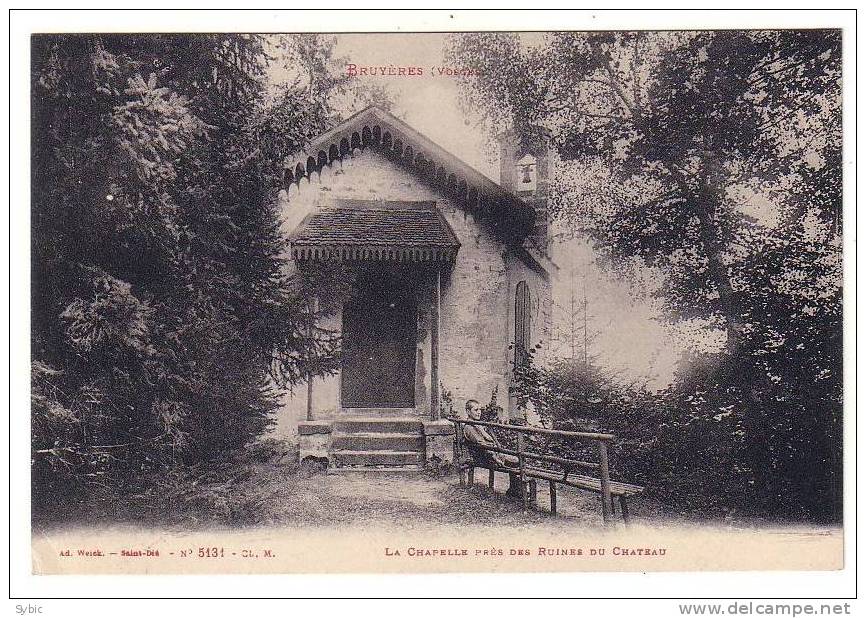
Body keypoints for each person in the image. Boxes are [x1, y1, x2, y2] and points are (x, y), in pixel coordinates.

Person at [461, 399, 519, 469]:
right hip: (485, 458)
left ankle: (518, 478)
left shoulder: (478, 425)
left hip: (492, 454)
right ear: (468, 412)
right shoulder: (469, 427)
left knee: (518, 459)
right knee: (518, 460)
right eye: (476, 410)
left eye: (480, 410)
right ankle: (519, 478)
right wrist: (496, 459)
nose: (479, 412)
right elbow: (482, 444)